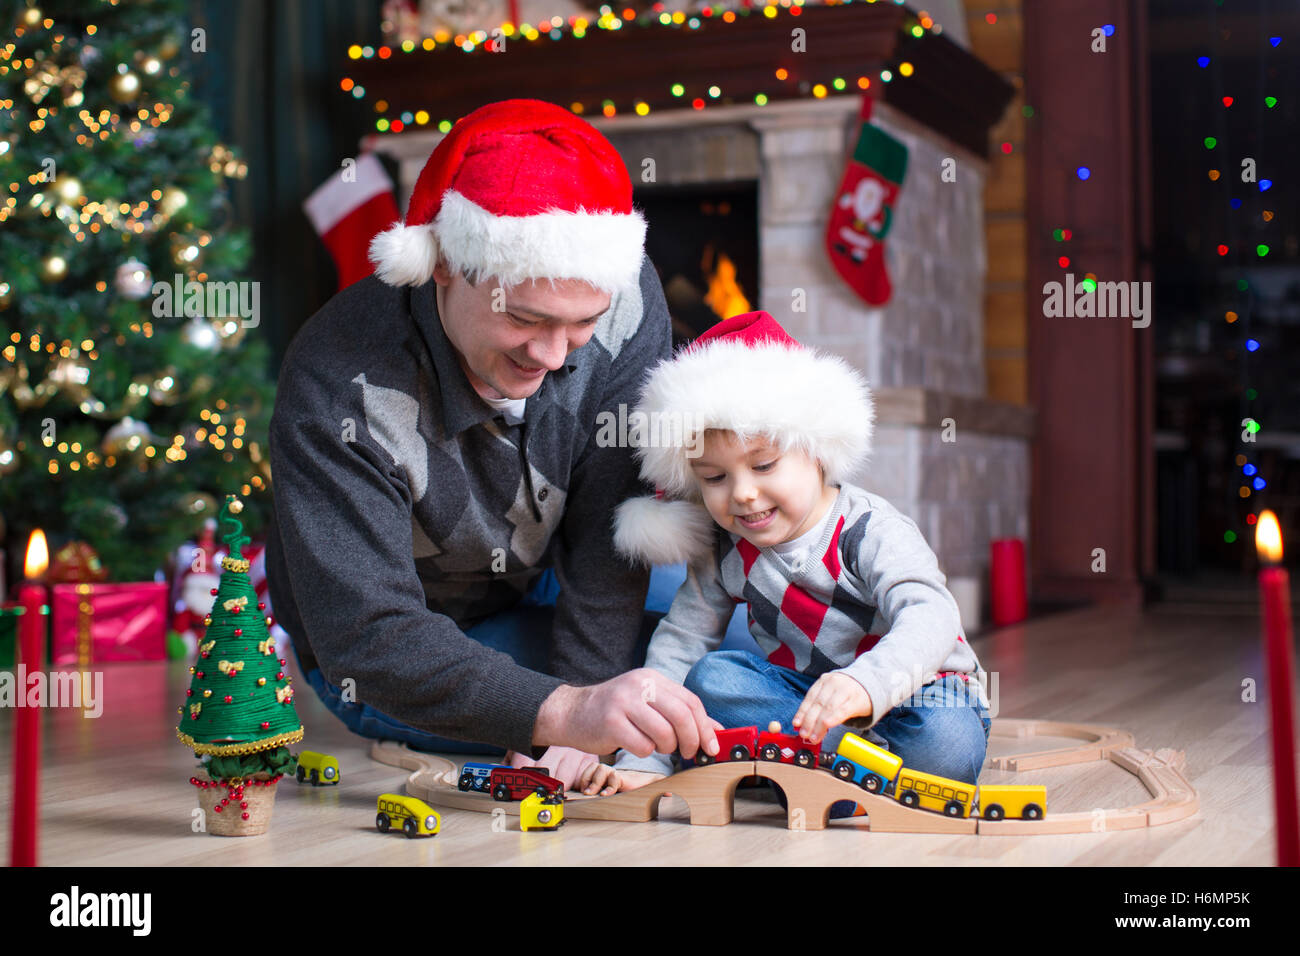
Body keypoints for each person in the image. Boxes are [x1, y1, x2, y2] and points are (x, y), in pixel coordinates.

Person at [265, 99, 720, 790]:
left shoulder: (624, 303)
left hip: (544, 568)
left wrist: (587, 702)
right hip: (411, 644)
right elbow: (369, 637)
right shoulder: (337, 379)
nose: (554, 356)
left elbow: (607, 532)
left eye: (580, 325)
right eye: (525, 318)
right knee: (712, 680)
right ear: (444, 262)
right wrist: (565, 711)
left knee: (762, 635)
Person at [579, 311, 991, 812]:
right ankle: (854, 772)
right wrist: (643, 760)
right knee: (711, 680)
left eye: (764, 465)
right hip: (805, 707)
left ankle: (813, 768)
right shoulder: (725, 548)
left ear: (816, 452)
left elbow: (933, 616)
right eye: (714, 478)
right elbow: (682, 644)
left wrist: (866, 683)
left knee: (946, 746)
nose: (744, 494)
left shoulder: (870, 531)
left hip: (917, 694)